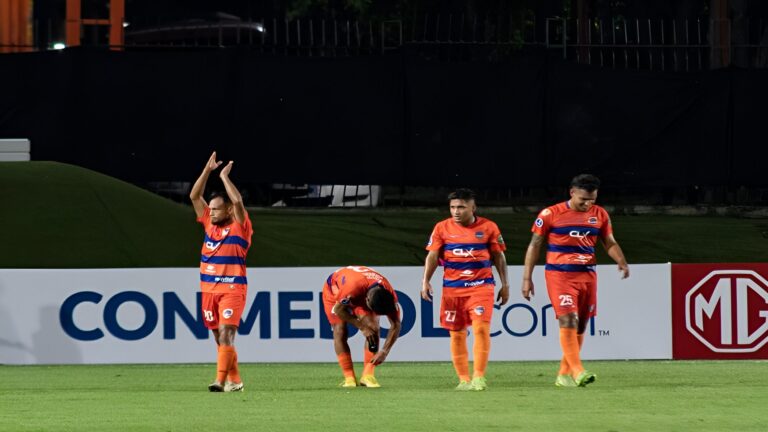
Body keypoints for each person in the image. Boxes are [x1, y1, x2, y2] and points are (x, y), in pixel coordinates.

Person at [521, 174, 629, 387]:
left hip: (587, 275)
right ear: (572, 193)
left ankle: (563, 374)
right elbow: (535, 245)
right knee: (568, 319)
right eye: (583, 199)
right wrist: (527, 278)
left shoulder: (600, 214)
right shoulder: (550, 214)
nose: (587, 204)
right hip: (560, 275)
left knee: (580, 326)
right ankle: (578, 371)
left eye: (592, 199)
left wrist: (621, 261)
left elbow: (609, 242)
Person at [421, 189, 509, 391]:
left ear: (473, 207)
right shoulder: (442, 228)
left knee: (480, 328)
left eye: (461, 207)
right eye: (452, 207)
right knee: (457, 334)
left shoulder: (488, 227)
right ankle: (463, 379)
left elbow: (499, 257)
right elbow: (433, 256)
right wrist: (425, 280)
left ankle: (479, 377)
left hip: (481, 287)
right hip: (453, 290)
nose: (456, 211)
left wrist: (505, 285)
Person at [189, 151, 253, 392]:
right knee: (219, 338)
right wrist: (208, 171)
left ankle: (220, 380)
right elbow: (194, 195)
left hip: (232, 289)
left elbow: (237, 203)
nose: (211, 212)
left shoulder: (240, 228)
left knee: (227, 334)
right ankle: (235, 381)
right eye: (211, 209)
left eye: (216, 209)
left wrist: (225, 177)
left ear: (227, 212)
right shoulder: (208, 224)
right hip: (208, 290)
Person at [322, 265, 402, 388]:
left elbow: (396, 324)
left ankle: (368, 375)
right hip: (335, 291)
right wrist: (362, 327)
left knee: (373, 328)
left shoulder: (389, 295)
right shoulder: (352, 288)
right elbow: (338, 310)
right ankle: (349, 378)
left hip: (363, 288)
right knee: (340, 331)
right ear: (367, 300)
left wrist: (385, 351)